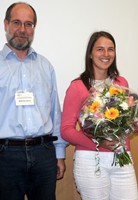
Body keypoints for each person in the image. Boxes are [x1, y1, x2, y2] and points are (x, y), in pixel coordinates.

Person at [61, 31, 138, 200]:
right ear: (90, 54)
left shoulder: (122, 84)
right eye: (100, 49)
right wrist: (99, 143)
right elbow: (66, 130)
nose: (106, 54)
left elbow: (126, 125)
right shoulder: (77, 87)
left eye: (110, 49)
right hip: (91, 160)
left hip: (121, 155)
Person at [0, 2, 68, 200]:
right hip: (5, 156)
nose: (22, 30)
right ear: (5, 24)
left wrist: (60, 153)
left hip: (44, 153)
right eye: (16, 23)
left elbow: (55, 112)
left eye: (28, 24)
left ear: (34, 29)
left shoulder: (45, 66)